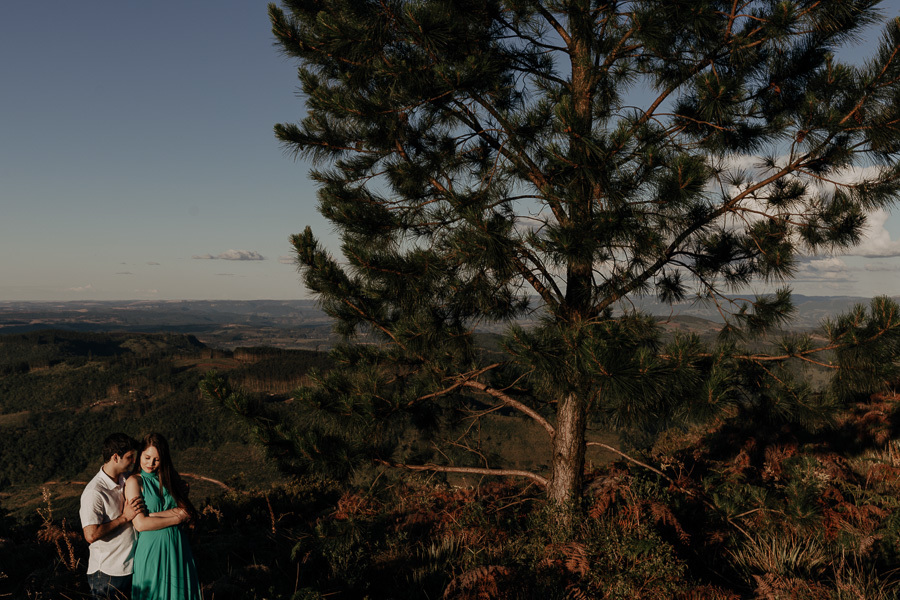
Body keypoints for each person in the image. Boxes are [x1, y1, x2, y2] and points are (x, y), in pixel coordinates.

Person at [125, 432, 201, 600]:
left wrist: (152, 515)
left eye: (156, 459)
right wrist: (177, 517)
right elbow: (141, 524)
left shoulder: (170, 479)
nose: (150, 463)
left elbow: (186, 510)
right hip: (152, 549)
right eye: (147, 457)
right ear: (140, 455)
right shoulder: (134, 482)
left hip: (177, 547)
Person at [79, 433, 144, 600]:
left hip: (129, 568)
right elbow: (91, 535)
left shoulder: (126, 479)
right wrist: (124, 517)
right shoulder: (94, 492)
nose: (133, 461)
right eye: (130, 457)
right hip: (107, 574)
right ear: (116, 457)